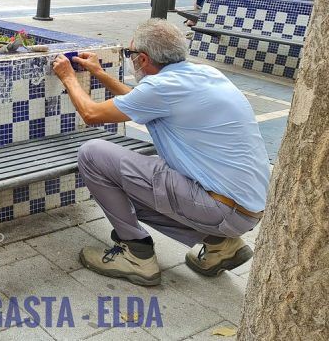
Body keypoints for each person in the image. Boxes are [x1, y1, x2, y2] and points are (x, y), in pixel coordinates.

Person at [52, 19, 270, 287]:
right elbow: (142, 102)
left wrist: (68, 77)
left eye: (131, 55)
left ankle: (136, 252)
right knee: (140, 173)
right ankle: (221, 246)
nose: (131, 59)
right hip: (246, 209)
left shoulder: (162, 89)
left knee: (92, 154)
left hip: (220, 208)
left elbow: (91, 114)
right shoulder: (205, 74)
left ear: (143, 59)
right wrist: (99, 73)